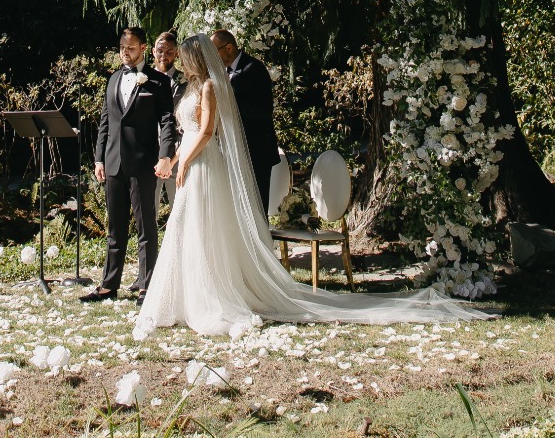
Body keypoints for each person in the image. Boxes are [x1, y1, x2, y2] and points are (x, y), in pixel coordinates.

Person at [135, 33, 492, 339]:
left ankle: (212, 297)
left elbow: (209, 131)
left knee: (204, 227)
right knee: (186, 228)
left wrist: (185, 159)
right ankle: (181, 298)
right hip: (192, 164)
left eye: (185, 58)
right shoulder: (191, 88)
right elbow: (187, 130)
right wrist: (174, 158)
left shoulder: (215, 85)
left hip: (205, 164)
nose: (180, 64)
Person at [82, 27, 176, 302]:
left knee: (146, 226)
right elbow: (105, 121)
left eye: (131, 48)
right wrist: (99, 157)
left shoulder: (158, 82)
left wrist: (164, 155)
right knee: (115, 227)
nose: (125, 52)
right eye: (122, 47)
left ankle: (147, 285)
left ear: (144, 48)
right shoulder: (112, 79)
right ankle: (109, 285)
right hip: (113, 163)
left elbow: (167, 121)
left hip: (143, 162)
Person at [211, 28, 279, 218]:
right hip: (232, 150)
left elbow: (264, 110)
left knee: (256, 208)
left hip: (256, 151)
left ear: (229, 48)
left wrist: (229, 99)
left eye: (215, 50)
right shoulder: (222, 72)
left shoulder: (254, 68)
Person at [152, 31, 182, 209]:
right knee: (149, 209)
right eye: (160, 51)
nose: (164, 56)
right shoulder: (143, 79)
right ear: (153, 52)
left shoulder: (185, 81)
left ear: (176, 53)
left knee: (179, 207)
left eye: (169, 52)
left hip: (177, 151)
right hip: (149, 151)